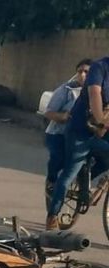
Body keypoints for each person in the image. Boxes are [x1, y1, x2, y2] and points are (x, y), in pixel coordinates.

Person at [47, 56, 109, 230]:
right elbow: (94, 94)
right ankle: (52, 215)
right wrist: (100, 121)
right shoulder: (99, 68)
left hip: (103, 131)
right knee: (68, 175)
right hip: (80, 130)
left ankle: (89, 178)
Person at [43, 59, 91, 207]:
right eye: (79, 71)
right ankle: (52, 180)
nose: (82, 75)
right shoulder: (66, 90)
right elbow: (48, 112)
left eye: (87, 72)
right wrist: (61, 117)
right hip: (58, 134)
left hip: (82, 136)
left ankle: (85, 188)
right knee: (59, 158)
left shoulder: (97, 92)